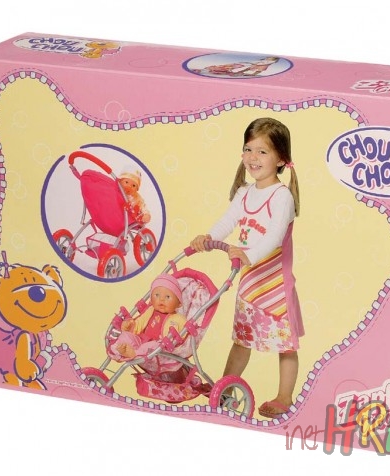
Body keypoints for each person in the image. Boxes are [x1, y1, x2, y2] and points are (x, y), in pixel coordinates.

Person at [190, 117, 304, 419]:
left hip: (274, 285)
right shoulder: (244, 193)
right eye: (248, 149)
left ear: (281, 159)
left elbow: (274, 237)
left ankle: (284, 396)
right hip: (250, 281)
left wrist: (247, 255)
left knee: (285, 344)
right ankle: (225, 387)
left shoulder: (281, 197)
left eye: (262, 152)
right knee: (241, 339)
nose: (253, 157)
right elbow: (228, 221)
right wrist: (208, 237)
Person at [111, 274, 186, 360]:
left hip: (159, 349)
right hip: (140, 341)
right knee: (125, 335)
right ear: (151, 299)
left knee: (153, 345)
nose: (161, 299)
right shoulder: (150, 310)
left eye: (168, 297)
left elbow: (185, 335)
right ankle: (119, 348)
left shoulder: (178, 319)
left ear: (179, 304)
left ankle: (134, 353)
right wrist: (130, 326)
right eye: (157, 295)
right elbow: (140, 323)